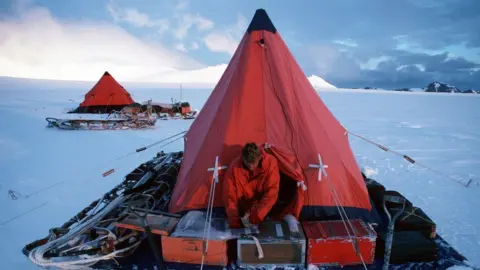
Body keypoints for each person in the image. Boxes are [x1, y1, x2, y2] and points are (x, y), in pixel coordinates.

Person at [222, 142, 280, 228]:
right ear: (243, 159)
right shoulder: (235, 167)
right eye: (248, 163)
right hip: (242, 209)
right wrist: (234, 219)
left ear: (260, 158)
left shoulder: (271, 163)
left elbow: (272, 192)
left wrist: (257, 215)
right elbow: (230, 195)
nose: (251, 166)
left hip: (264, 210)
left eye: (253, 163)